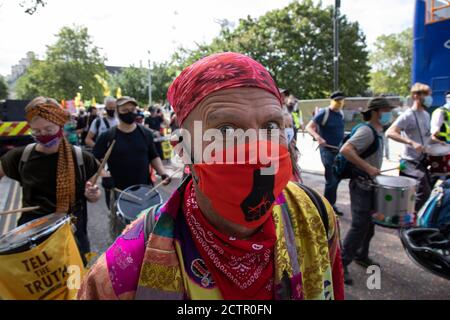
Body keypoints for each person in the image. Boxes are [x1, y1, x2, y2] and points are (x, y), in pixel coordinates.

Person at [78, 52, 344, 300]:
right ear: (183, 150)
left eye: (271, 126)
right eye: (226, 130)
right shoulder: (123, 271)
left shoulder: (315, 214)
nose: (258, 149)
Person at [0, 97, 101, 258]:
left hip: (72, 240)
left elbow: (95, 194)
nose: (43, 135)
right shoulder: (20, 156)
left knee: (75, 282)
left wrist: (93, 195)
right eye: (36, 131)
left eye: (49, 129)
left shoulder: (81, 158)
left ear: (60, 124)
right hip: (32, 244)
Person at [339, 97, 395, 285]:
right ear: (376, 111)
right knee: (359, 225)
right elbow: (346, 150)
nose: (389, 113)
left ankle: (361, 255)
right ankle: (341, 263)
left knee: (369, 224)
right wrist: (368, 168)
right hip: (362, 184)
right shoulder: (366, 131)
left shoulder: (378, 130)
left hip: (370, 184)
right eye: (387, 110)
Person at [93, 96, 171, 210]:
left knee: (145, 226)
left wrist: (163, 173)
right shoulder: (108, 136)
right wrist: (104, 175)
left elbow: (153, 156)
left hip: (145, 190)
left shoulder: (146, 133)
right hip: (119, 192)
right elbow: (94, 158)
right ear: (117, 112)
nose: (130, 113)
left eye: (132, 110)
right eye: (125, 110)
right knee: (121, 227)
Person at [386, 83, 433, 212]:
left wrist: (437, 142)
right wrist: (411, 142)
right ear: (415, 96)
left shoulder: (426, 115)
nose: (429, 98)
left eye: (429, 95)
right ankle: (408, 221)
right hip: (409, 163)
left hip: (422, 161)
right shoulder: (408, 115)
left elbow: (425, 136)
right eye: (426, 94)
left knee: (425, 192)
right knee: (423, 193)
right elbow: (390, 132)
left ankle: (413, 219)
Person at [305, 91, 346, 216]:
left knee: (336, 179)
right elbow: (309, 127)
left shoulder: (340, 114)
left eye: (342, 101)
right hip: (327, 151)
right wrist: (318, 137)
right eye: (337, 101)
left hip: (338, 151)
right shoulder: (324, 113)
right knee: (331, 179)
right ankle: (326, 207)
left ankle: (330, 205)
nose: (339, 103)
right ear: (331, 100)